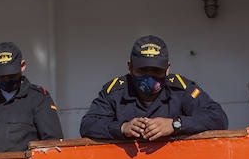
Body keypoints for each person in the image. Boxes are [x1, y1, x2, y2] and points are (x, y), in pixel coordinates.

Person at [79, 35, 228, 142]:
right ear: (130, 67)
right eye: (142, 70)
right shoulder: (115, 92)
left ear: (167, 68)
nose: (149, 77)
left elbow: (218, 118)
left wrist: (174, 124)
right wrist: (122, 128)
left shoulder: (181, 89)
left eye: (156, 71)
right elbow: (88, 125)